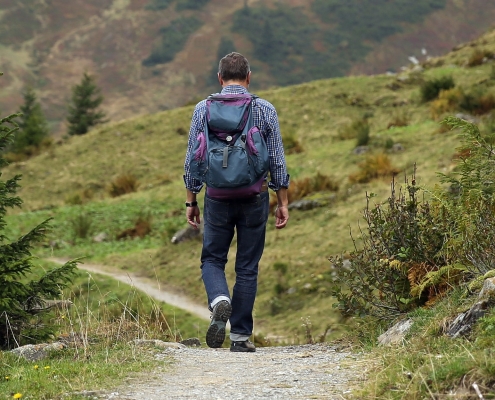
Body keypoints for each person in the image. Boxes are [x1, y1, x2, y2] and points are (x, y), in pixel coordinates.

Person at [183, 52, 290, 352]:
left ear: (219, 78)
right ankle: (240, 337)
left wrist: (191, 200)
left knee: (212, 259)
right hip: (254, 196)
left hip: (216, 197)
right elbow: (278, 160)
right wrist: (282, 200)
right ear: (248, 77)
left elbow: (193, 157)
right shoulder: (264, 109)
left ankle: (219, 299)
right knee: (247, 266)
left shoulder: (202, 109)